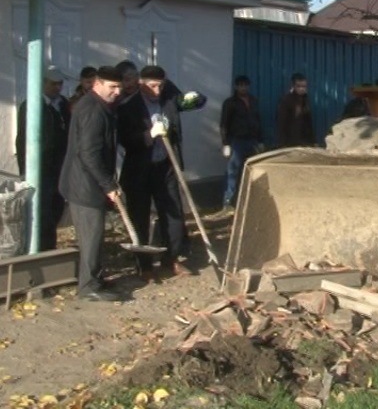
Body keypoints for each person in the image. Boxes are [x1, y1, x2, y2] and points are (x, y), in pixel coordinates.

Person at [117, 65, 206, 281]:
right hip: (139, 169)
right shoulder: (129, 105)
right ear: (141, 83)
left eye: (161, 85)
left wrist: (195, 98)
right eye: (152, 86)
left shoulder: (168, 99)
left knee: (173, 215)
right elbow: (125, 139)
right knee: (140, 217)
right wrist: (148, 135)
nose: (157, 90)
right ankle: (144, 266)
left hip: (166, 166)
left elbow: (193, 103)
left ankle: (172, 259)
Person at [58, 66, 122, 302]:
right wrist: (108, 185)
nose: (117, 92)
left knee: (93, 236)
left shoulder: (98, 106)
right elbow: (89, 154)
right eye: (112, 87)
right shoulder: (93, 110)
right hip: (84, 185)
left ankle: (94, 278)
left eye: (119, 88)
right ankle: (88, 287)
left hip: (87, 182)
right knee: (91, 236)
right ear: (97, 84)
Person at [15, 66, 71, 252]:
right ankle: (42, 249)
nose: (57, 87)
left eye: (60, 83)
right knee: (42, 212)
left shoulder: (62, 104)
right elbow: (22, 139)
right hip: (41, 167)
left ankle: (49, 246)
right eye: (53, 83)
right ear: (43, 83)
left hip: (60, 167)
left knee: (56, 208)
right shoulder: (32, 105)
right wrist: (25, 169)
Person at [219, 75, 263, 210]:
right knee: (232, 172)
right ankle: (228, 202)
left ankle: (251, 201)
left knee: (253, 170)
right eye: (240, 85)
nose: (243, 88)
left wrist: (261, 140)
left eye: (246, 85)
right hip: (237, 141)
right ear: (236, 87)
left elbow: (258, 121)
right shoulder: (230, 103)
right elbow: (224, 124)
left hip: (252, 140)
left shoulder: (253, 101)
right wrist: (225, 143)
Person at [276, 72, 314, 148]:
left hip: (304, 142)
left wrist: (312, 141)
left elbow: (308, 122)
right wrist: (283, 144)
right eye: (299, 86)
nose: (302, 89)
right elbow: (282, 123)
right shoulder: (287, 100)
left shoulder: (305, 100)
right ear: (293, 86)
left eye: (304, 86)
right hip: (291, 143)